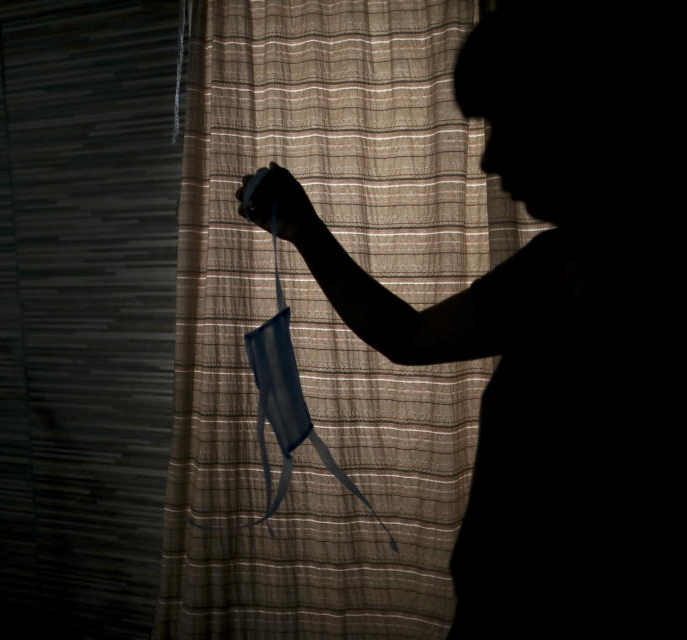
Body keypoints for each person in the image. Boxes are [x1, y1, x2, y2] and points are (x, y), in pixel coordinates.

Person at [235, 6, 664, 638]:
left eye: (506, 122)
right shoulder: (555, 265)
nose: (489, 160)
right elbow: (408, 338)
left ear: (582, 114)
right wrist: (305, 231)